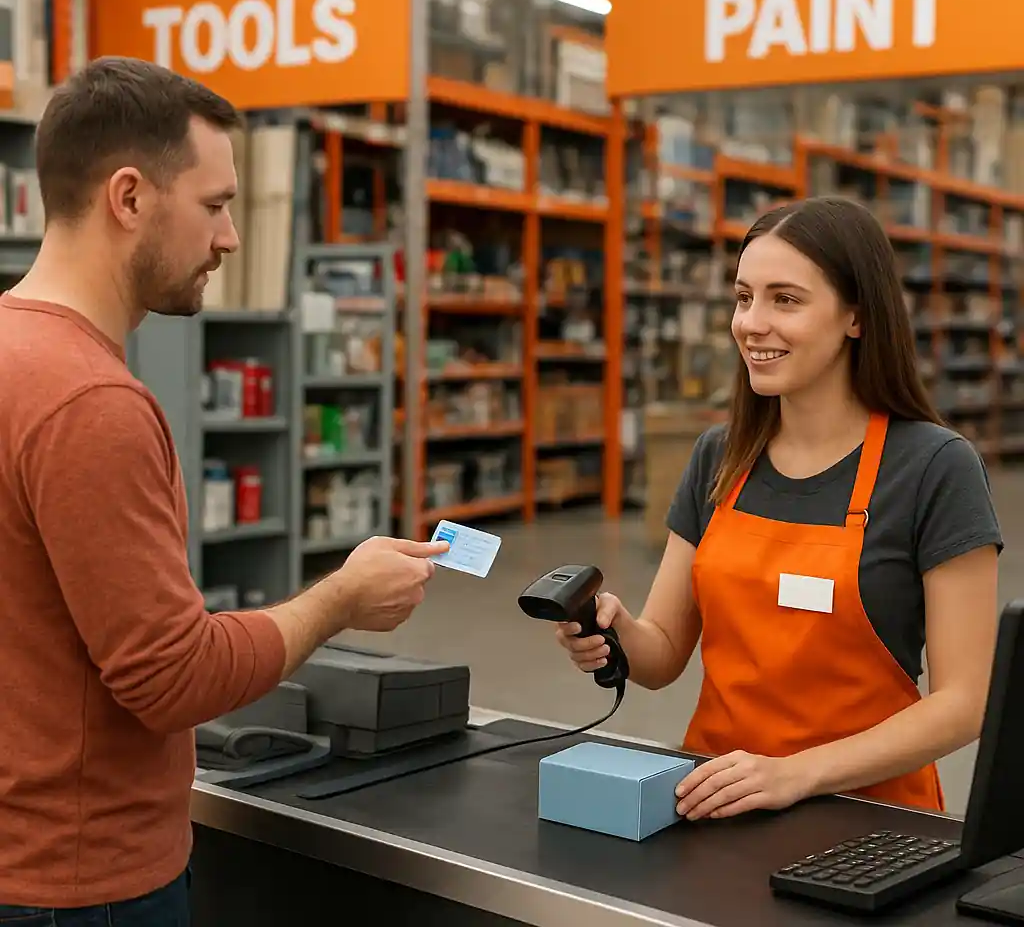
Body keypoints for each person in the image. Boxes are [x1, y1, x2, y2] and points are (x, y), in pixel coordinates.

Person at [0, 56, 448, 923]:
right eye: (213, 205)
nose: (232, 237)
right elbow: (172, 678)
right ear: (129, 198)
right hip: (80, 886)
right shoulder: (90, 403)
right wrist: (340, 599)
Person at [557, 196, 1001, 821]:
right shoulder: (721, 457)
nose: (751, 323)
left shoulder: (934, 468)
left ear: (856, 316)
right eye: (744, 298)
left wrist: (796, 774)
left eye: (785, 300)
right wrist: (615, 632)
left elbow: (965, 702)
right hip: (714, 801)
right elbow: (661, 656)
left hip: (869, 824)